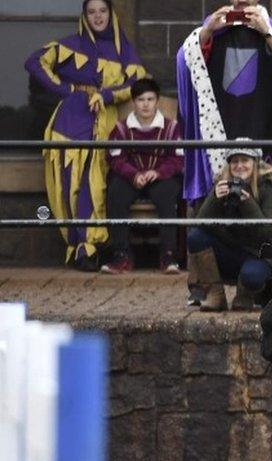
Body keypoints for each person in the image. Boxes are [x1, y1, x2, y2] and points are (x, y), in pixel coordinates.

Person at [24, 0, 147, 271]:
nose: (98, 16)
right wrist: (66, 90)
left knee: (97, 185)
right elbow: (34, 61)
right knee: (70, 186)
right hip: (69, 124)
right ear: (84, 16)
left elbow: (138, 83)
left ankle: (95, 245)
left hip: (104, 126)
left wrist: (106, 94)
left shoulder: (122, 49)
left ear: (111, 14)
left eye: (102, 11)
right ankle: (81, 248)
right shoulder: (71, 44)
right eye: (91, 12)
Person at [176, 0, 272, 218]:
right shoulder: (214, 29)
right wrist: (207, 31)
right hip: (222, 127)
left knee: (266, 207)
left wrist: (267, 32)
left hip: (265, 127)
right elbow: (186, 61)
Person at [100, 78, 184, 275]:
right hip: (132, 177)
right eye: (140, 100)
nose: (145, 104)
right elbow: (115, 158)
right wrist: (133, 174)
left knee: (168, 194)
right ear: (134, 102)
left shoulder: (171, 128)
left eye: (150, 99)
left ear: (156, 101)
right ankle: (121, 255)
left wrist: (159, 172)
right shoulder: (121, 129)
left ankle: (168, 255)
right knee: (116, 194)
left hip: (159, 177)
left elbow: (178, 158)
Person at [187, 140, 272, 312]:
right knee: (196, 237)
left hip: (256, 255)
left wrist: (248, 202)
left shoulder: (265, 187)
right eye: (234, 161)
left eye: (245, 160)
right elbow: (200, 224)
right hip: (228, 252)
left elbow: (267, 233)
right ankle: (215, 295)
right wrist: (214, 197)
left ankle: (244, 297)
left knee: (252, 276)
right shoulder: (222, 184)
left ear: (255, 163)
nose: (239, 165)